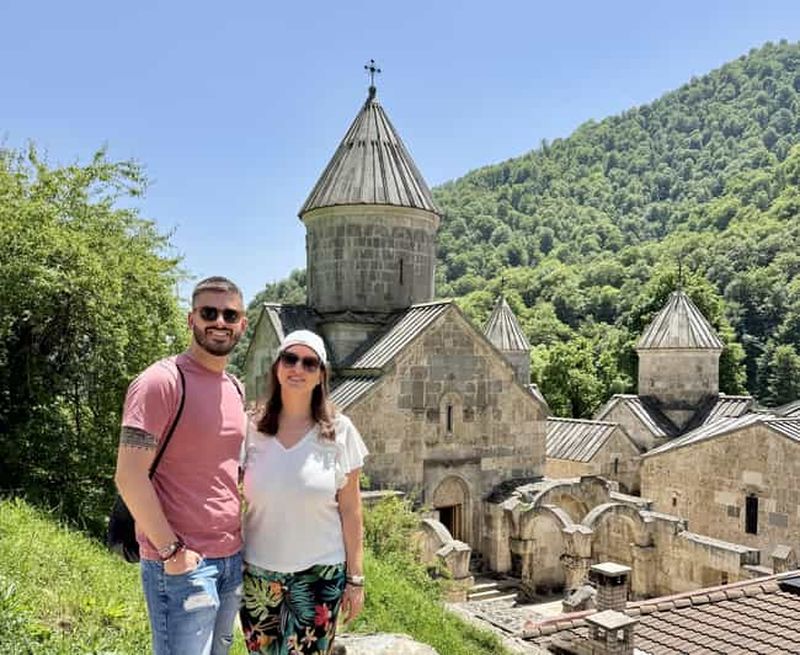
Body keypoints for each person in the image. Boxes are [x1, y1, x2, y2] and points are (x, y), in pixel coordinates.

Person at [114, 276, 248, 655]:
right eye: (209, 313)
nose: (219, 322)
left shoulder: (235, 388)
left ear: (242, 324)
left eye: (229, 315)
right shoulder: (160, 382)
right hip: (182, 563)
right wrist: (171, 551)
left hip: (231, 558)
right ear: (191, 319)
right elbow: (129, 475)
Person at [240, 329, 368, 655]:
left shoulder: (340, 430)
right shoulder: (250, 427)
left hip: (319, 575)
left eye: (309, 363)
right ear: (277, 366)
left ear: (321, 374)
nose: (298, 368)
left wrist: (355, 580)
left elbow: (351, 511)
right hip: (259, 575)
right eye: (290, 359)